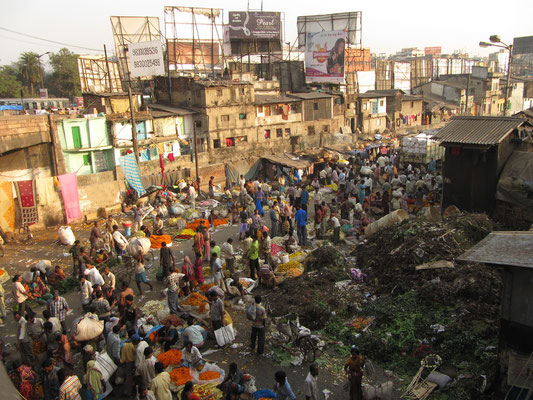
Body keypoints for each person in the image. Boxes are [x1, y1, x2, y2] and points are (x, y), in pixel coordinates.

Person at [120, 331, 138, 397]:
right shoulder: (133, 345)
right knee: (129, 379)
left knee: (127, 377)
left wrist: (122, 361)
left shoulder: (125, 344)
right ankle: (127, 392)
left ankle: (126, 391)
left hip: (126, 363)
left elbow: (123, 356)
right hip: (131, 363)